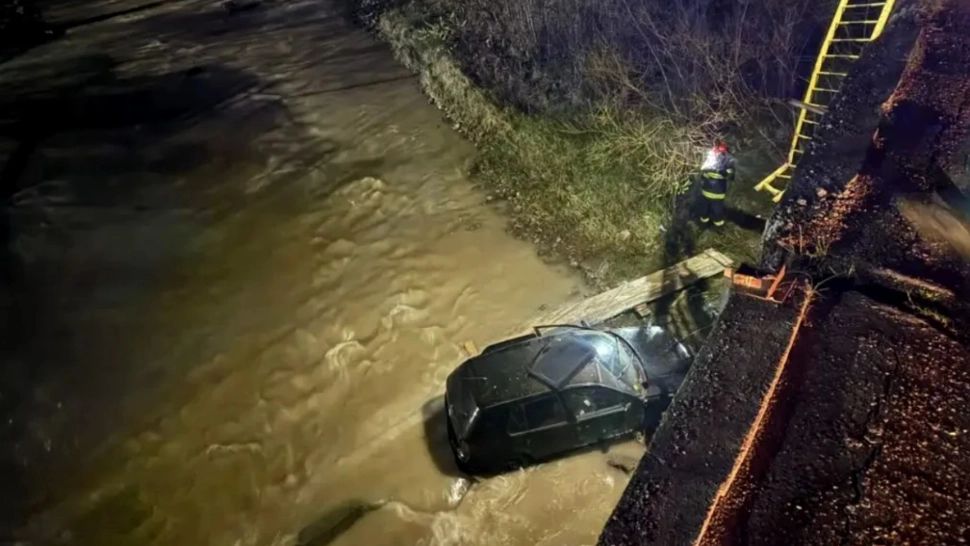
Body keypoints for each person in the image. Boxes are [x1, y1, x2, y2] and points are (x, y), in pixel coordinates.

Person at [696, 140, 735, 227]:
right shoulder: (728, 159)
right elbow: (731, 176)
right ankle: (718, 226)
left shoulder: (711, 156)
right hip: (717, 192)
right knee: (716, 210)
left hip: (708, 190)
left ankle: (706, 223)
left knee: (706, 209)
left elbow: (702, 170)